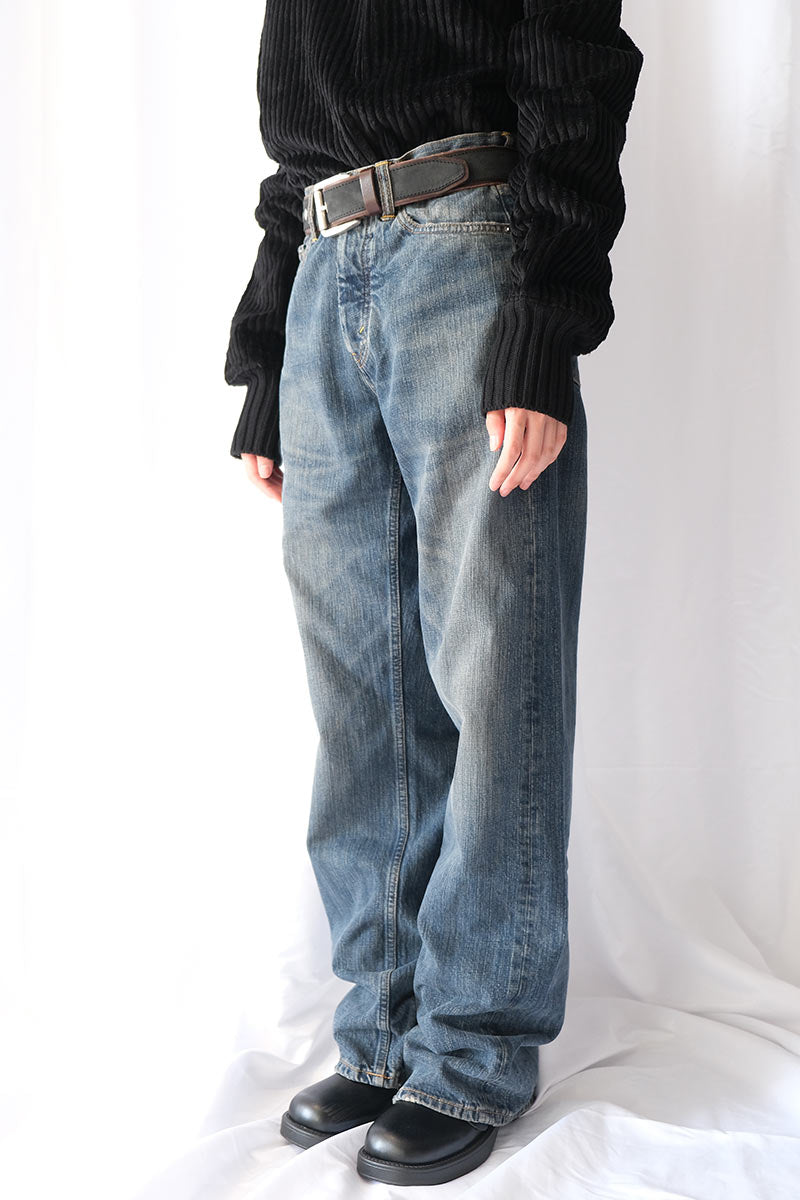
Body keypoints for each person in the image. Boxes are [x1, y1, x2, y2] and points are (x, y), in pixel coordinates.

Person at [223, 0, 644, 1186]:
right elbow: (294, 134)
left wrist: (542, 321)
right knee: (360, 694)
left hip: (467, 243)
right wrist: (267, 356)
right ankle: (384, 1032)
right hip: (323, 268)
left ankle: (472, 1050)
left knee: (494, 672)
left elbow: (573, 66)